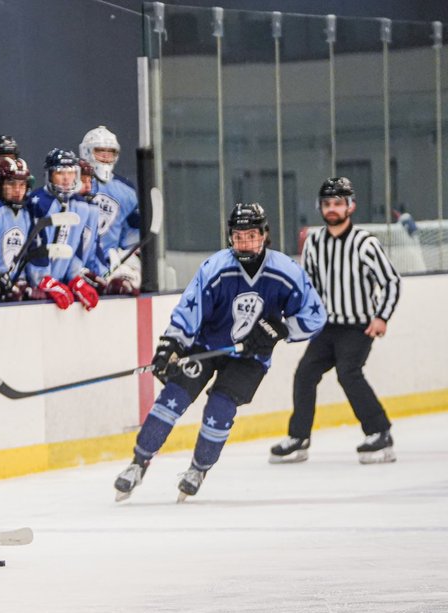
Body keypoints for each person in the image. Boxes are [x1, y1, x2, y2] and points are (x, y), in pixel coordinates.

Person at [113, 203, 326, 501]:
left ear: (264, 235)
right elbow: (190, 309)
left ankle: (198, 469)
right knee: (172, 399)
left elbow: (315, 315)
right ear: (230, 237)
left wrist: (279, 330)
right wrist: (171, 345)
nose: (245, 243)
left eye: (251, 235)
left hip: (250, 359)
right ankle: (138, 463)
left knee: (220, 408)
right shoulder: (216, 267)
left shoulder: (286, 271)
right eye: (239, 236)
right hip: (206, 346)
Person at [270, 177, 401, 465]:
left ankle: (380, 432)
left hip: (358, 326)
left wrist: (382, 317)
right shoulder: (314, 242)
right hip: (326, 328)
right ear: (320, 207)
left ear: (350, 206)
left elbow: (391, 281)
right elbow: (310, 288)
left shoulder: (365, 243)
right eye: (327, 203)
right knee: (305, 374)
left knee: (348, 372)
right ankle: (299, 438)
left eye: (338, 203)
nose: (332, 208)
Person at [23, 149, 101, 310]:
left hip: (61, 283)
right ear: (49, 175)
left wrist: (74, 277)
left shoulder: (81, 205)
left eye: (71, 173)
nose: (66, 178)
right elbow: (36, 245)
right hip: (36, 288)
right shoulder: (39, 202)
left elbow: (77, 244)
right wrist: (42, 278)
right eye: (60, 173)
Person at [78, 125, 141, 284]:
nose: (106, 156)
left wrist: (127, 253)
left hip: (110, 261)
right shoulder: (72, 181)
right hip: (77, 259)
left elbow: (132, 233)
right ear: (86, 151)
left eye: (110, 151)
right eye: (100, 151)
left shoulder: (126, 190)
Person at [0, 155, 33, 299]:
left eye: (22, 185)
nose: (17, 190)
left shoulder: (26, 214)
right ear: (0, 184)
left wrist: (21, 280)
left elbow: (21, 255)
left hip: (11, 287)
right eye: (11, 184)